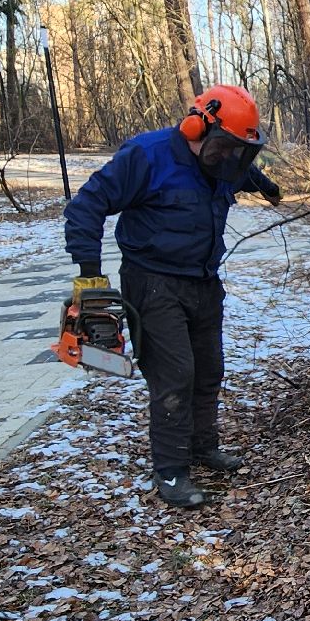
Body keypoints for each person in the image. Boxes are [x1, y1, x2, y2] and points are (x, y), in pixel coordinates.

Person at [64, 85, 282, 508]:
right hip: (154, 281)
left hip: (204, 281)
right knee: (174, 375)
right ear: (197, 127)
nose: (230, 158)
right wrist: (89, 273)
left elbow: (242, 172)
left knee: (208, 369)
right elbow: (87, 204)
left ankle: (203, 446)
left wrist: (266, 185)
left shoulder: (225, 162)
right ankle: (171, 469)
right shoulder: (147, 156)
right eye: (224, 147)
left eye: (239, 151)